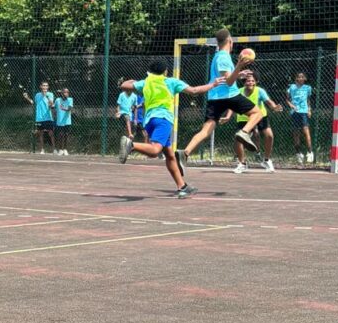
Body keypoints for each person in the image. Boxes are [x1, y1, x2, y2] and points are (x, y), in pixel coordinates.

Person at [118, 60, 223, 198]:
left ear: (150, 72)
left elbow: (124, 85)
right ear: (165, 71)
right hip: (163, 119)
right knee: (155, 150)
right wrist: (213, 84)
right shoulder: (171, 82)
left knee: (170, 155)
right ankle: (131, 145)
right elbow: (194, 91)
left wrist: (135, 80)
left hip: (149, 121)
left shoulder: (145, 82)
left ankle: (182, 186)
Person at [174, 28, 262, 176]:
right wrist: (239, 66)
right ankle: (244, 132)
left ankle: (185, 153)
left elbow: (227, 77)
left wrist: (238, 74)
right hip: (228, 95)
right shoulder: (223, 57)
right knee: (257, 113)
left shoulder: (218, 56)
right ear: (230, 41)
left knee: (206, 131)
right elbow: (228, 82)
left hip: (215, 98)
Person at [231, 70, 282, 173]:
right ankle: (242, 163)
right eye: (248, 81)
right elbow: (232, 106)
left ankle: (266, 160)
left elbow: (269, 102)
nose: (250, 83)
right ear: (244, 82)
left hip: (260, 116)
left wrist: (274, 107)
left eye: (252, 81)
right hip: (244, 118)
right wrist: (227, 116)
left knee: (269, 136)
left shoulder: (260, 91)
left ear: (256, 82)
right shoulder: (238, 92)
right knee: (238, 139)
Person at [286, 71, 314, 164]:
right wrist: (291, 105)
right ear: (296, 78)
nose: (301, 78)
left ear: (305, 78)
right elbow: (287, 99)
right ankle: (298, 154)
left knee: (306, 132)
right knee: (296, 133)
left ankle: (310, 152)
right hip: (294, 112)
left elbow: (308, 100)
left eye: (302, 77)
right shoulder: (292, 87)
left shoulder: (307, 88)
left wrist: (309, 110)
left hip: (304, 112)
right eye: (299, 77)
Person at [23, 81, 55, 154]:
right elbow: (33, 103)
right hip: (39, 118)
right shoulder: (37, 95)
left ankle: (54, 149)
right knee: (40, 134)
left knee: (51, 134)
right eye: (43, 85)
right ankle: (42, 150)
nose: (45, 87)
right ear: (41, 86)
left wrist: (47, 97)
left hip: (48, 117)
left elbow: (51, 105)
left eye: (46, 86)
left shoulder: (50, 94)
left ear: (48, 87)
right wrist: (27, 97)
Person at [54, 87, 73, 155]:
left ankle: (65, 149)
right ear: (62, 93)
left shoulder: (70, 99)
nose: (66, 93)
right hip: (59, 121)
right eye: (65, 92)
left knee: (66, 135)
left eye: (67, 92)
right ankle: (60, 149)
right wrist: (50, 104)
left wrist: (64, 108)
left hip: (67, 121)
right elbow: (53, 107)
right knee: (60, 135)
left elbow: (69, 108)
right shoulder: (57, 100)